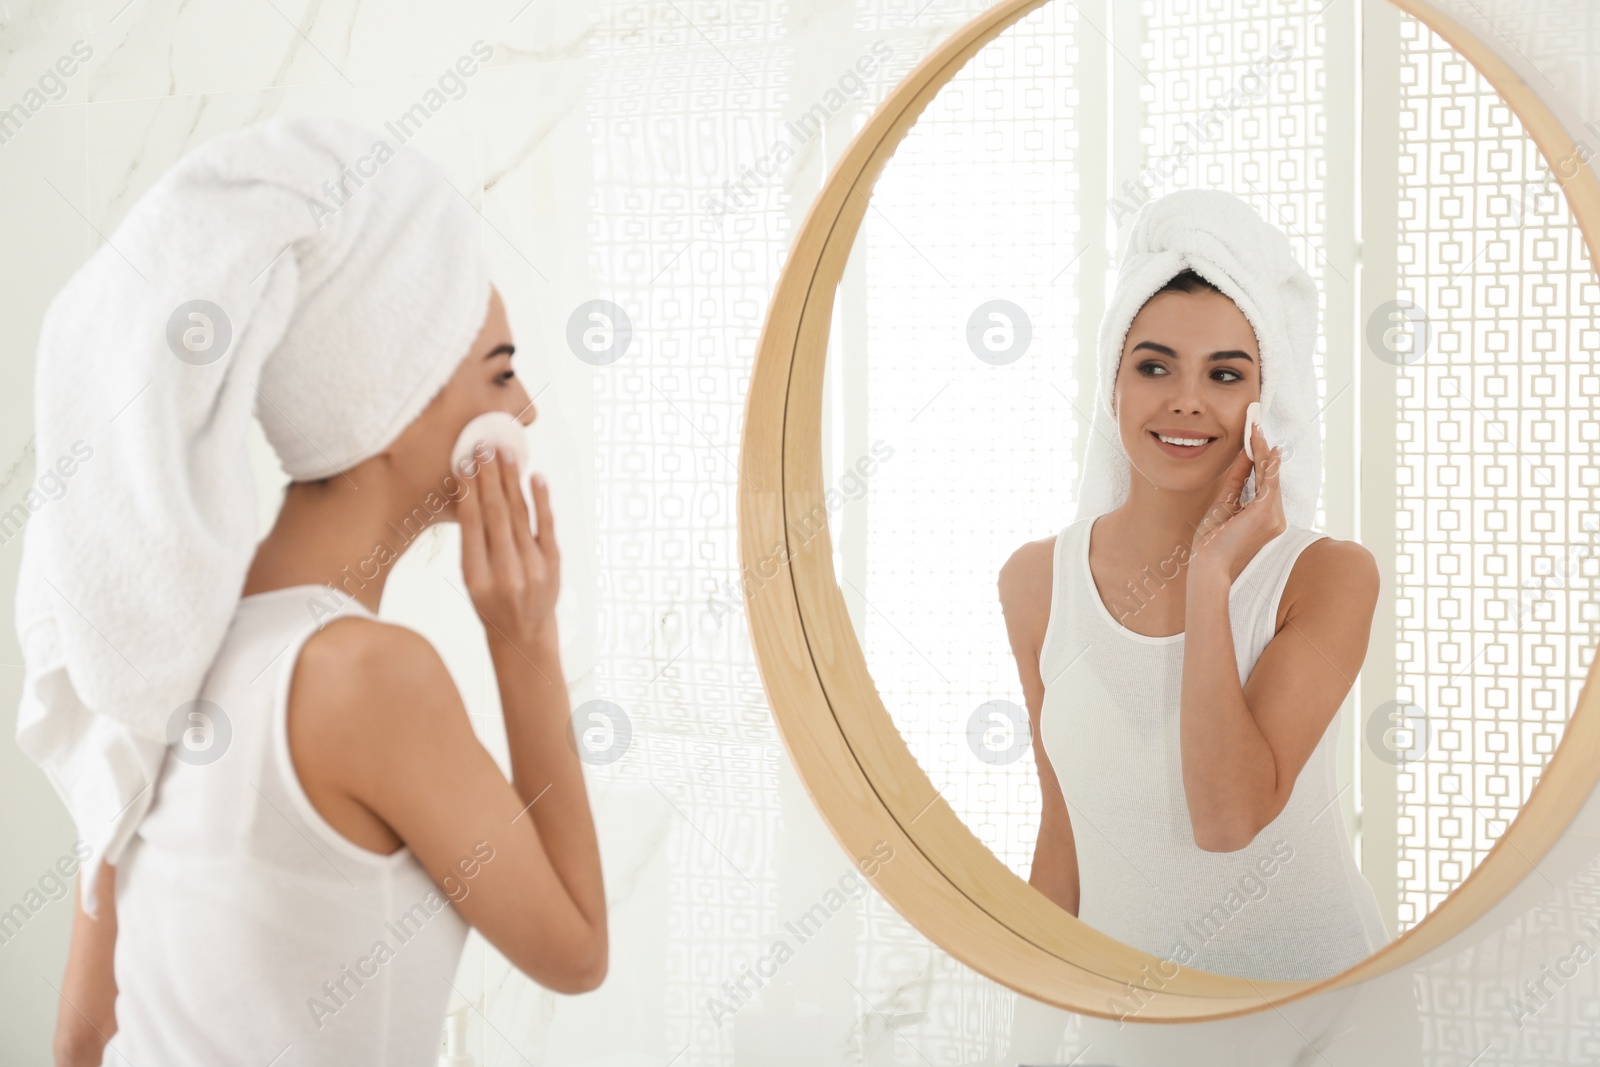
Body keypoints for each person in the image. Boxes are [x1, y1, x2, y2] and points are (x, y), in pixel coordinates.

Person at [14, 117, 606, 1066]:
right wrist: (523, 638)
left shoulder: (166, 648)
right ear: (395, 395)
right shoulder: (371, 677)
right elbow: (577, 950)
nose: (525, 409)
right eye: (500, 373)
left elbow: (82, 1038)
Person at [997, 189, 1390, 982]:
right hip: (1130, 1030)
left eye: (1224, 372)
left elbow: (1227, 816)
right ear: (1114, 385)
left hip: (1316, 1019)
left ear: (1262, 402)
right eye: (1154, 366)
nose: (1185, 399)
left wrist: (1211, 577)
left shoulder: (1325, 577)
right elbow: (1065, 837)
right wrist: (1029, 1033)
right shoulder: (1037, 580)